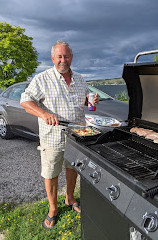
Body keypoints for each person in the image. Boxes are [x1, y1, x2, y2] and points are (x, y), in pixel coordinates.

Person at [20, 40, 99, 229]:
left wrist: (92, 100)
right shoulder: (42, 79)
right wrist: (44, 114)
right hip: (53, 137)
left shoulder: (80, 79)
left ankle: (70, 199)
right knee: (51, 173)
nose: (63, 60)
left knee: (72, 168)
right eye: (59, 56)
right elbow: (25, 100)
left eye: (67, 56)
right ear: (52, 58)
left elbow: (88, 104)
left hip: (77, 136)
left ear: (72, 57)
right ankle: (53, 209)